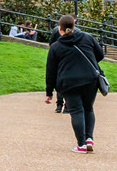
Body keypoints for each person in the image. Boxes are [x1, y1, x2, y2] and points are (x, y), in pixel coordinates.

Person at [44, 13, 106, 152]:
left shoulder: (55, 46)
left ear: (59, 29)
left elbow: (51, 72)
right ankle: (89, 138)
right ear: (74, 26)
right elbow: (100, 55)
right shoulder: (87, 37)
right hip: (90, 79)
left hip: (68, 82)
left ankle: (81, 144)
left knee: (77, 111)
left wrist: (49, 92)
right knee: (88, 108)